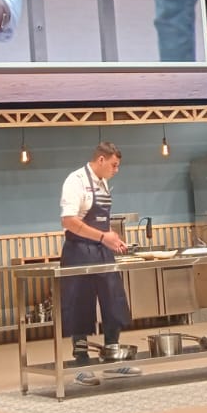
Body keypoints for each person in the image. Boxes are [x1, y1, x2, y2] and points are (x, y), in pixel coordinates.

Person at [59, 141, 138, 387]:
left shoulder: (103, 183)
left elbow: (101, 222)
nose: (116, 170)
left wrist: (112, 240)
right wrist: (104, 237)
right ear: (101, 160)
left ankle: (113, 357)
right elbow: (69, 221)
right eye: (114, 165)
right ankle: (81, 363)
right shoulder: (75, 181)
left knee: (113, 299)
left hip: (103, 250)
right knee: (80, 304)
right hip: (78, 251)